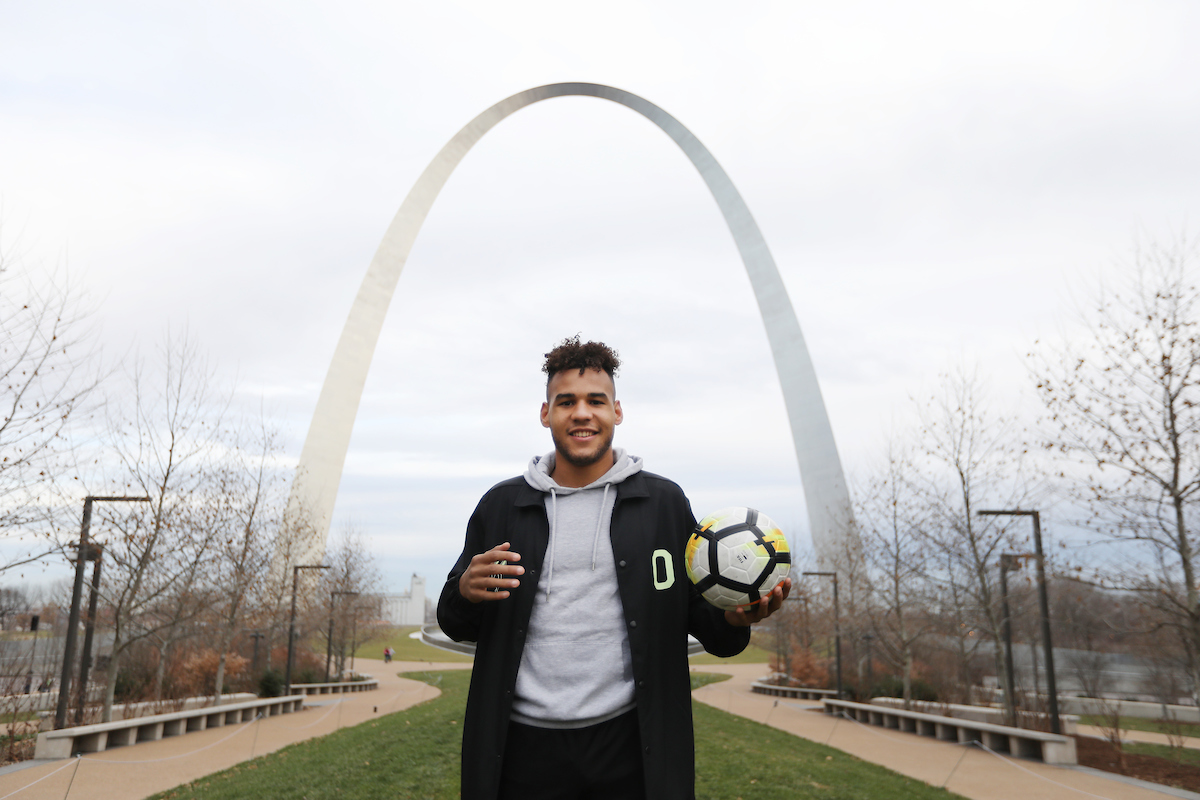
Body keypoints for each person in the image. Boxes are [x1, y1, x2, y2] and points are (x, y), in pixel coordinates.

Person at [438, 336, 790, 800]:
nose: (582, 413)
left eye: (596, 401)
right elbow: (454, 621)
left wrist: (734, 618)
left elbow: (705, 622)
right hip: (521, 748)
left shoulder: (663, 504)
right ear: (545, 413)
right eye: (566, 402)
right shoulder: (501, 505)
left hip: (632, 746)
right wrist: (465, 591)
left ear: (617, 411)